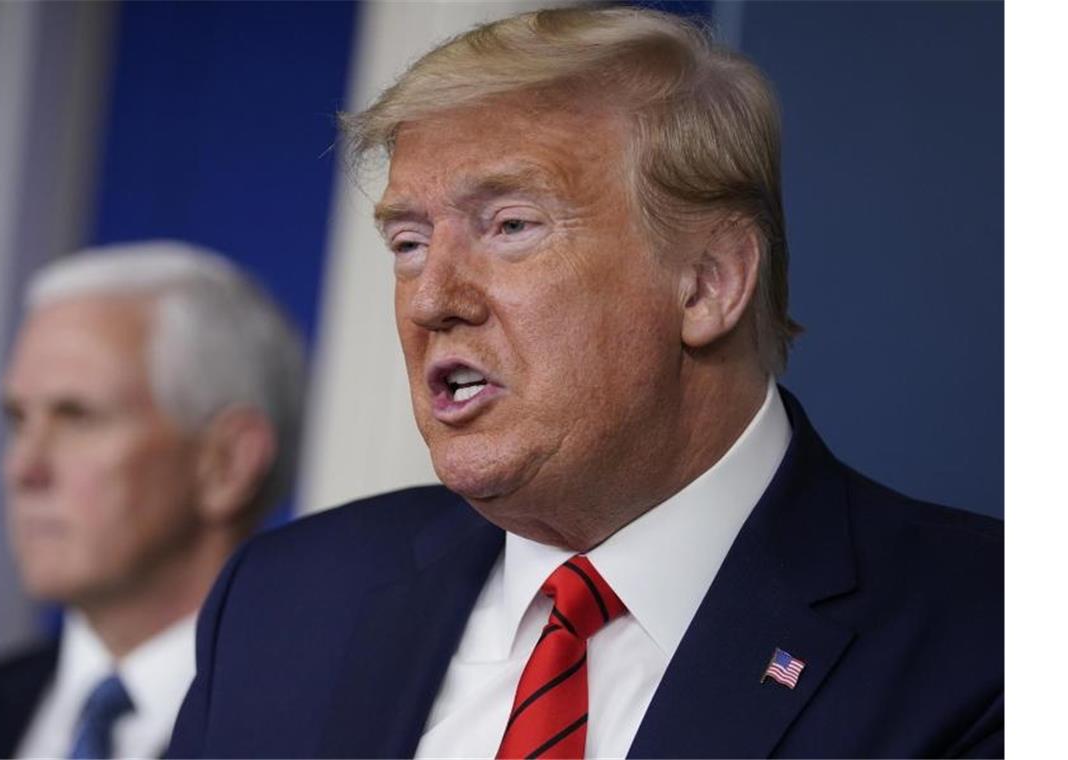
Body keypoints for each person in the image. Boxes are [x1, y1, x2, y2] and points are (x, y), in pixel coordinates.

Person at [169, 7, 1002, 759]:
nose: (431, 300)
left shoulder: (994, 639)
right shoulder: (284, 603)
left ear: (709, 282)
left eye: (511, 226)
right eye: (410, 242)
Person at [0, 240, 306, 759]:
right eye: (19, 420)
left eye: (78, 417)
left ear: (226, 462)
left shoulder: (326, 729)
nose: (22, 468)